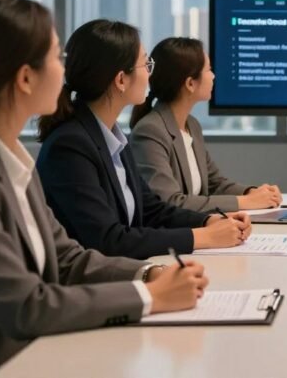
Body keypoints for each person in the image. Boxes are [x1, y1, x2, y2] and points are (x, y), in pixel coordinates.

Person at [0, 0, 208, 375]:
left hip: (30, 357)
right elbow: (25, 307)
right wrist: (149, 296)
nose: (65, 70)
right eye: (57, 57)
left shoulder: (10, 159)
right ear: (25, 78)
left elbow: (67, 259)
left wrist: (148, 273)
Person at [37, 20, 251, 259]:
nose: (150, 74)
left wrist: (209, 221)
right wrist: (204, 237)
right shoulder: (70, 146)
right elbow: (108, 240)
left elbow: (151, 210)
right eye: (146, 64)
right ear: (121, 80)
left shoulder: (112, 137)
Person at [129, 37, 281, 212]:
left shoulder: (192, 125)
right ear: (190, 83)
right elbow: (169, 202)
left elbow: (214, 183)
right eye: (208, 70)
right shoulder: (150, 131)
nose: (213, 76)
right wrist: (246, 202)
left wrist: (253, 192)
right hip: (176, 229)